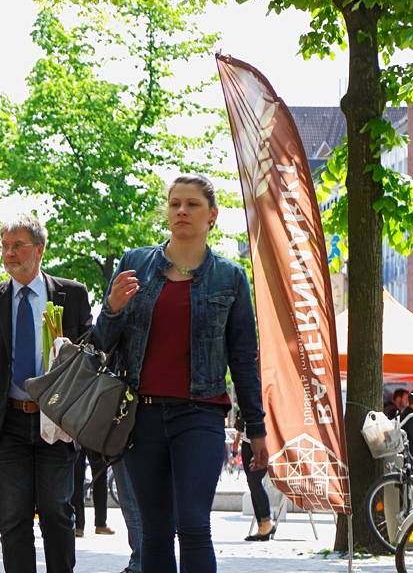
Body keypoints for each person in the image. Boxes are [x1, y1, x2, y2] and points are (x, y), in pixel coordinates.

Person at [94, 173, 268, 573]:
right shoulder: (135, 265)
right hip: (143, 417)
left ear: (212, 216)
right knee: (154, 531)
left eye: (192, 204)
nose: (182, 211)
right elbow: (101, 344)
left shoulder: (230, 277)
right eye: (175, 204)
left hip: (201, 415)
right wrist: (113, 309)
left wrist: (255, 428)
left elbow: (244, 359)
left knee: (192, 524)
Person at [0, 212, 93, 573]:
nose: (9, 254)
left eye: (18, 246)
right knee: (12, 518)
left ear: (39, 249)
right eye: (5, 246)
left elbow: (92, 352)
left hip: (56, 421)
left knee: (58, 512)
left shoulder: (71, 295)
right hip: (7, 422)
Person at [237, 416, 274, 541]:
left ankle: (266, 522)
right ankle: (262, 528)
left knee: (254, 480)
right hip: (246, 441)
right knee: (252, 483)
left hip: (264, 440)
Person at [72, 447, 113, 537]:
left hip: (77, 436)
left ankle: (79, 526)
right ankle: (100, 524)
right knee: (100, 479)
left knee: (76, 481)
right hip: (94, 439)